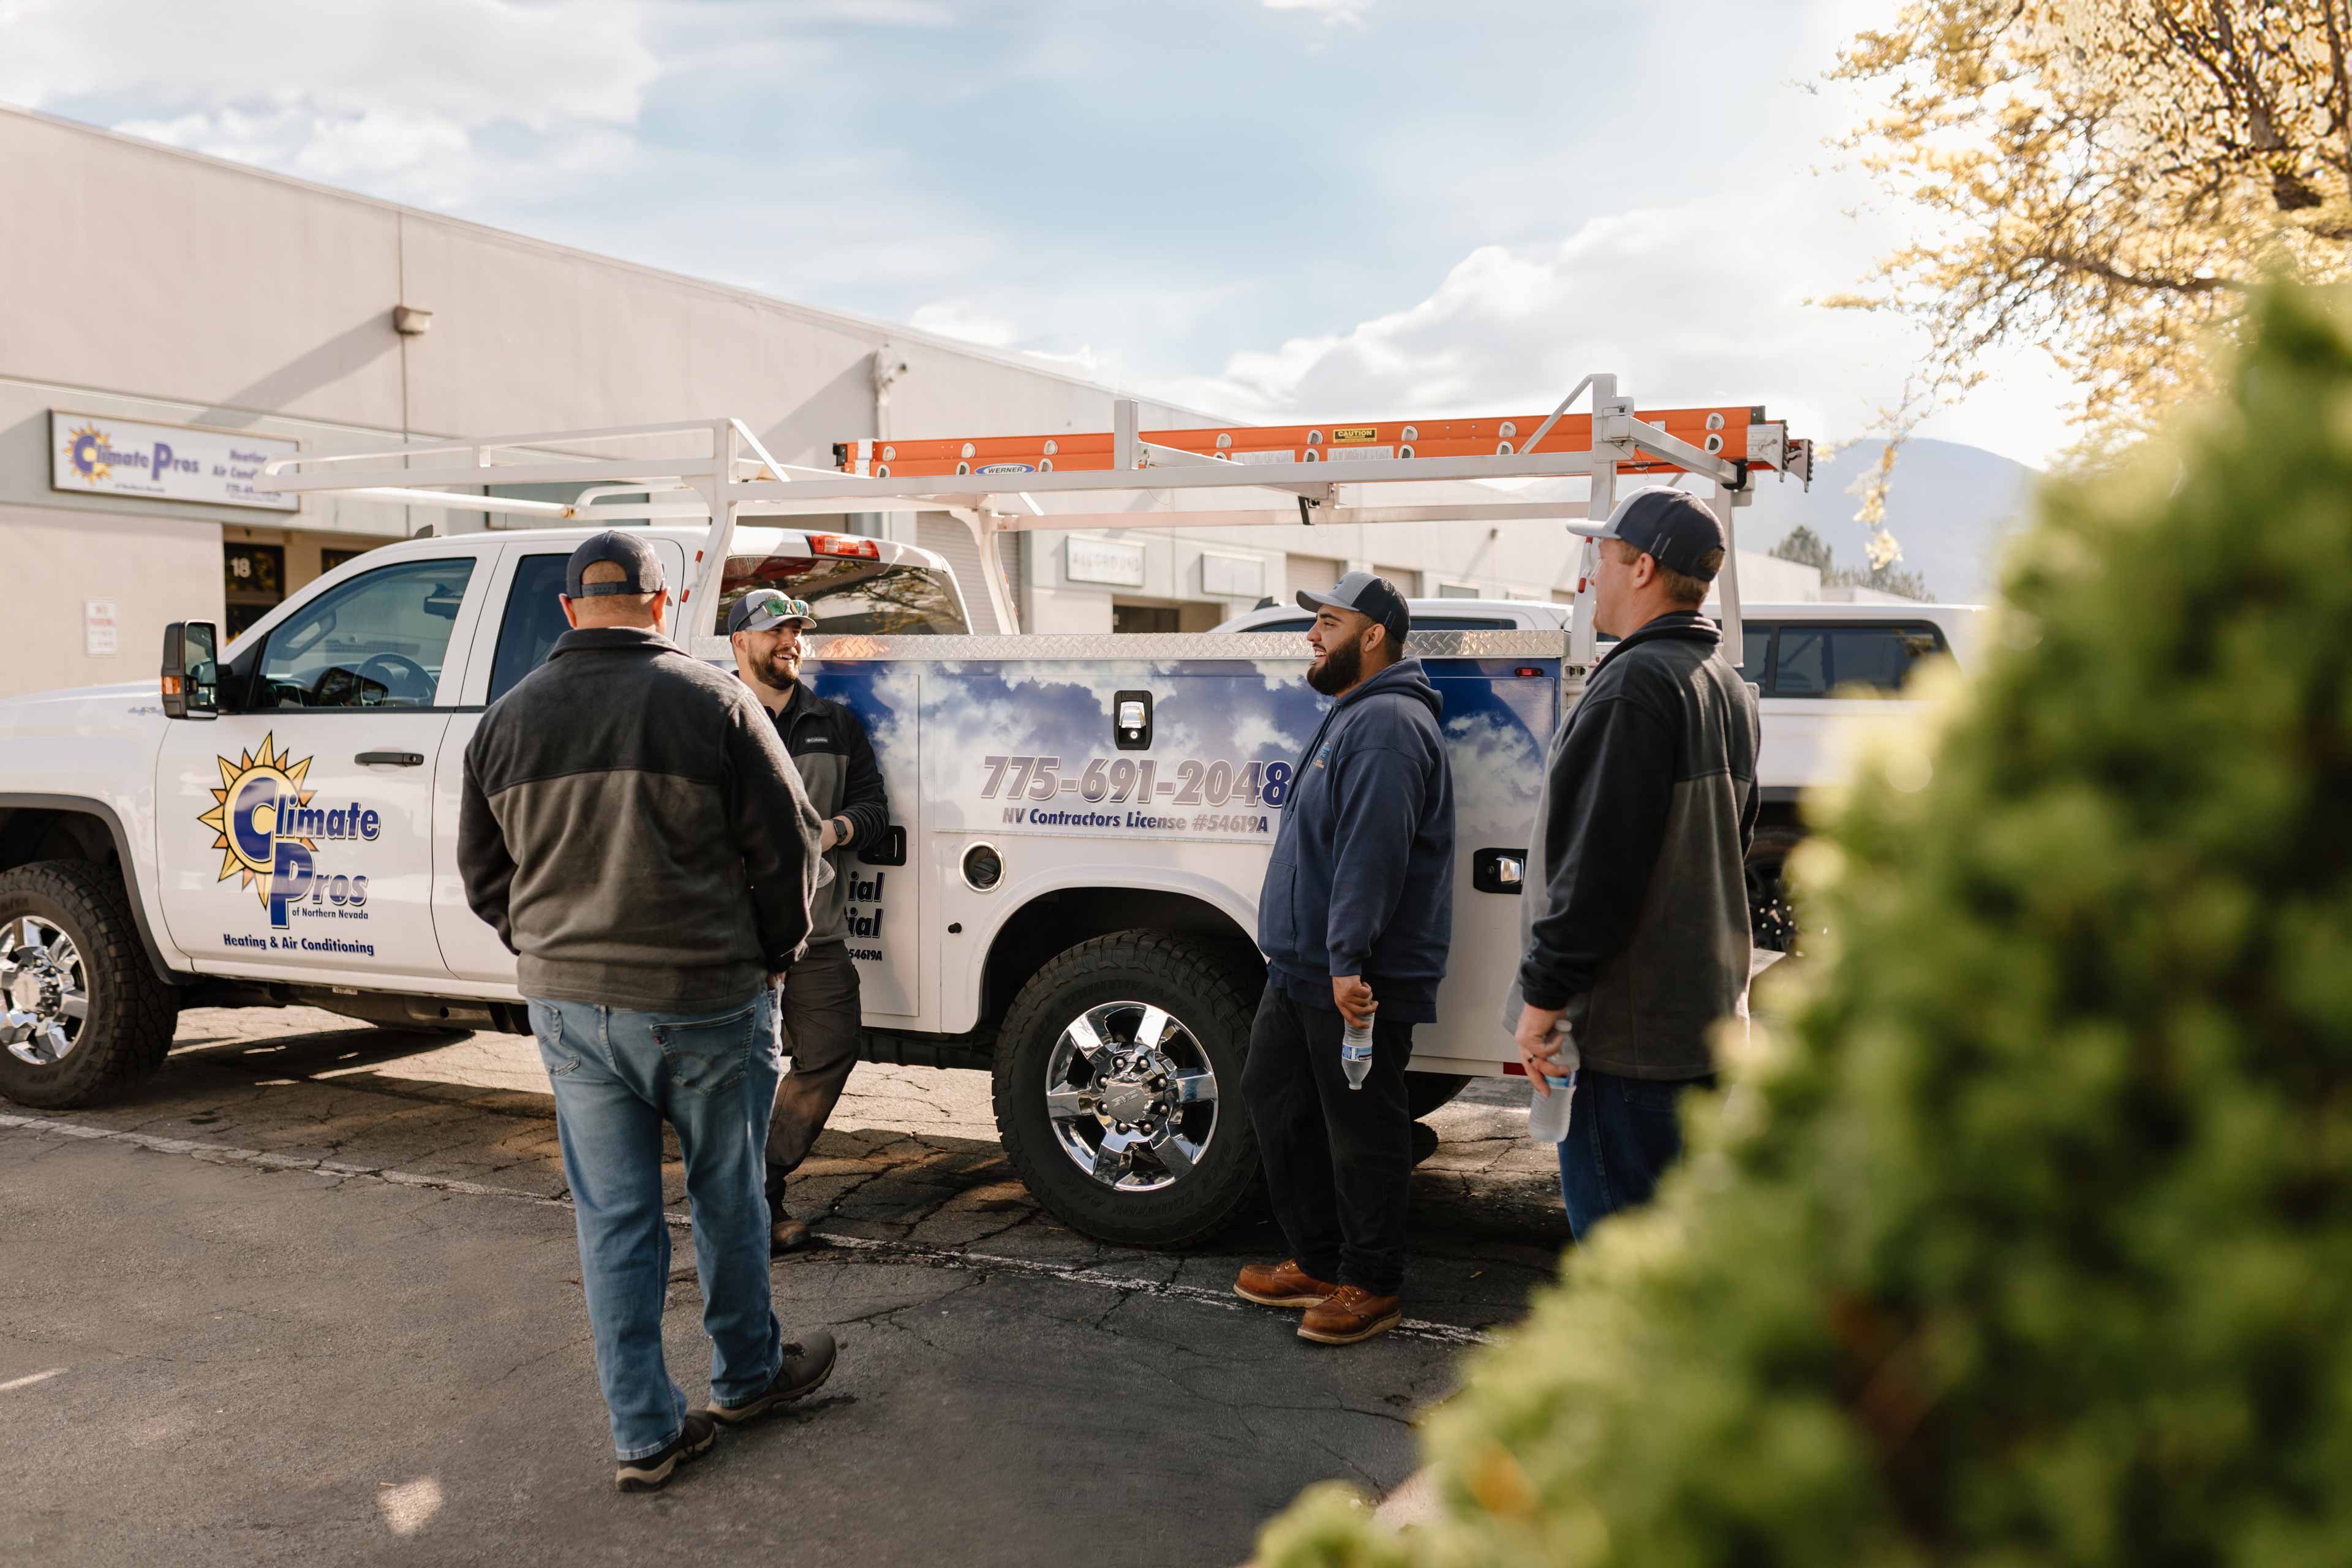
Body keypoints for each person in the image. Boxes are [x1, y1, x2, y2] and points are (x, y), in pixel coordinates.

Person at [459, 532, 839, 1492]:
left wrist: (551, 950)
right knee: (727, 1196)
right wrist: (772, 960)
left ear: (568, 609)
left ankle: (645, 1434)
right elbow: (792, 849)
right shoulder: (715, 704)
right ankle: (748, 1377)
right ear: (665, 604)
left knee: (616, 1220)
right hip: (705, 1001)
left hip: (570, 1011)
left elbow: (484, 878)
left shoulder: (505, 722)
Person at [1507, 487, 1760, 1240]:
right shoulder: (1725, 686)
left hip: (1630, 1041)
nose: (1591, 576)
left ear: (1643, 567)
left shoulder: (1633, 687)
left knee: (1625, 1270)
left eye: (1604, 557)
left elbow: (1599, 868)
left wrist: (1543, 1001)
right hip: (1702, 1021)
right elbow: (1731, 845)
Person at [1236, 571, 1455, 1346]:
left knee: (1360, 1127)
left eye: (1327, 622)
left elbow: (1373, 856)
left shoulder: (1389, 724)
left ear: (1372, 636)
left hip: (1354, 979)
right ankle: (1320, 1261)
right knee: (1275, 1099)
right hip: (1299, 967)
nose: (1311, 636)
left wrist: (1349, 962)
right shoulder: (1352, 714)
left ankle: (1372, 1281)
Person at [725, 589, 891, 1254]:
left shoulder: (834, 722)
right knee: (735, 1074)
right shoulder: (714, 717)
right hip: (733, 940)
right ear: (740, 642)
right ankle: (748, 1214)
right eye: (776, 631)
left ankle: (759, 1182)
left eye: (798, 631)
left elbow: (875, 807)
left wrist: (837, 828)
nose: (791, 641)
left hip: (813, 936)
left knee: (829, 1050)